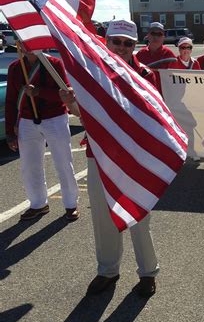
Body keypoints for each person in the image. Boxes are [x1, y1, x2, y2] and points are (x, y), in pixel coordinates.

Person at [63, 20, 160, 298]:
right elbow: (85, 115)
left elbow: (154, 117)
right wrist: (71, 103)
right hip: (100, 155)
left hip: (135, 158)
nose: (121, 48)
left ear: (135, 46)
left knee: (139, 217)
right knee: (104, 218)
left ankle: (147, 272)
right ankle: (107, 270)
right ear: (106, 43)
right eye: (116, 41)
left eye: (127, 43)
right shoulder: (93, 74)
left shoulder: (145, 74)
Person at [5, 46, 79, 221]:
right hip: (27, 121)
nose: (26, 47)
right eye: (22, 42)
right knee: (29, 166)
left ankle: (70, 203)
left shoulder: (53, 64)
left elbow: (66, 94)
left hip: (55, 118)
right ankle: (38, 204)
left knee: (63, 162)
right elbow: (10, 99)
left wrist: (39, 92)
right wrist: (10, 131)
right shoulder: (15, 67)